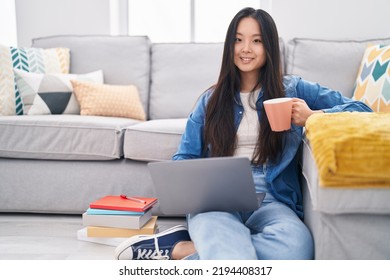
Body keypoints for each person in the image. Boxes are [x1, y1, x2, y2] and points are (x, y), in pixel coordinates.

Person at [114, 7, 373, 260]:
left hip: (272, 195)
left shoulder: (293, 88)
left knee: (296, 247)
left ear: (269, 47)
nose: (245, 48)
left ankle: (186, 250)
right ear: (230, 46)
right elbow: (185, 157)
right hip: (217, 194)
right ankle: (216, 248)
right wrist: (193, 185)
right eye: (238, 40)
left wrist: (313, 116)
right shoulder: (210, 100)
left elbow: (362, 109)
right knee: (222, 234)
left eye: (256, 41)